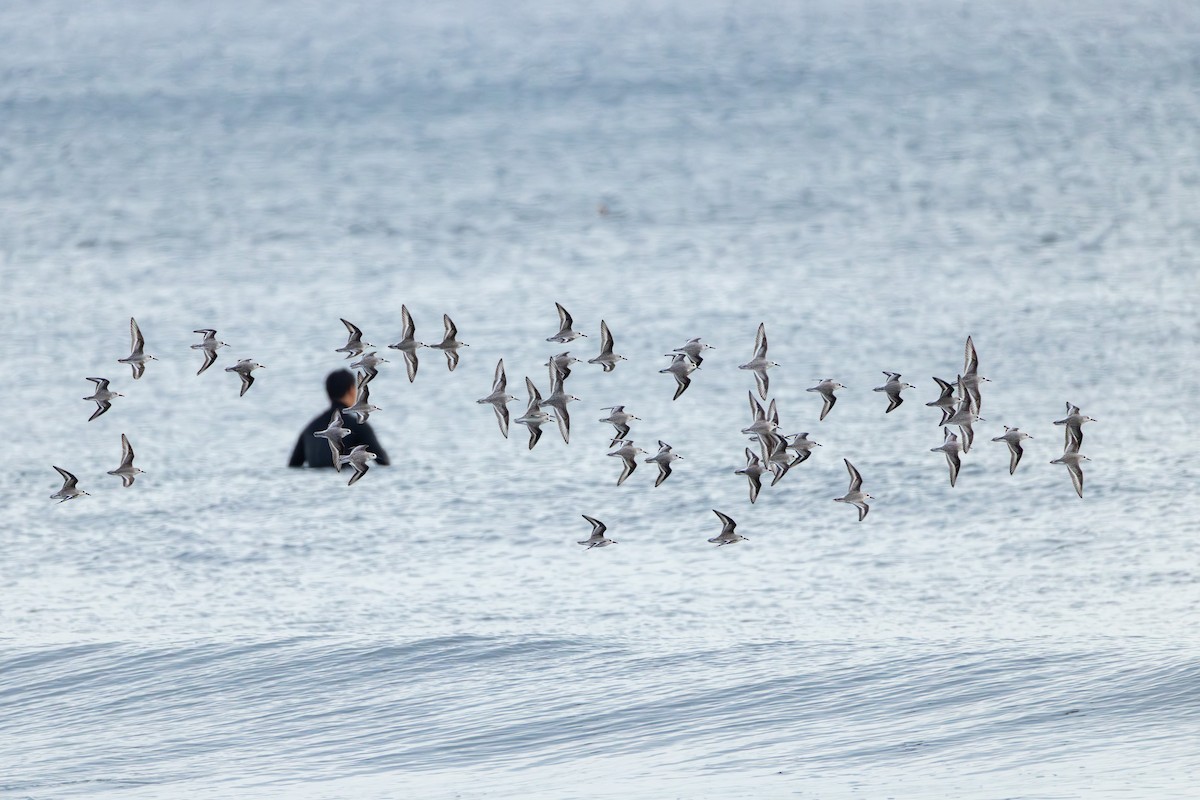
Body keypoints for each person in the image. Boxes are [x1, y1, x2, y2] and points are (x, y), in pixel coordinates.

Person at [289, 370, 390, 468]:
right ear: (351, 389)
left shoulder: (309, 429)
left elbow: (293, 466)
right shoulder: (358, 426)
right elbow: (384, 462)